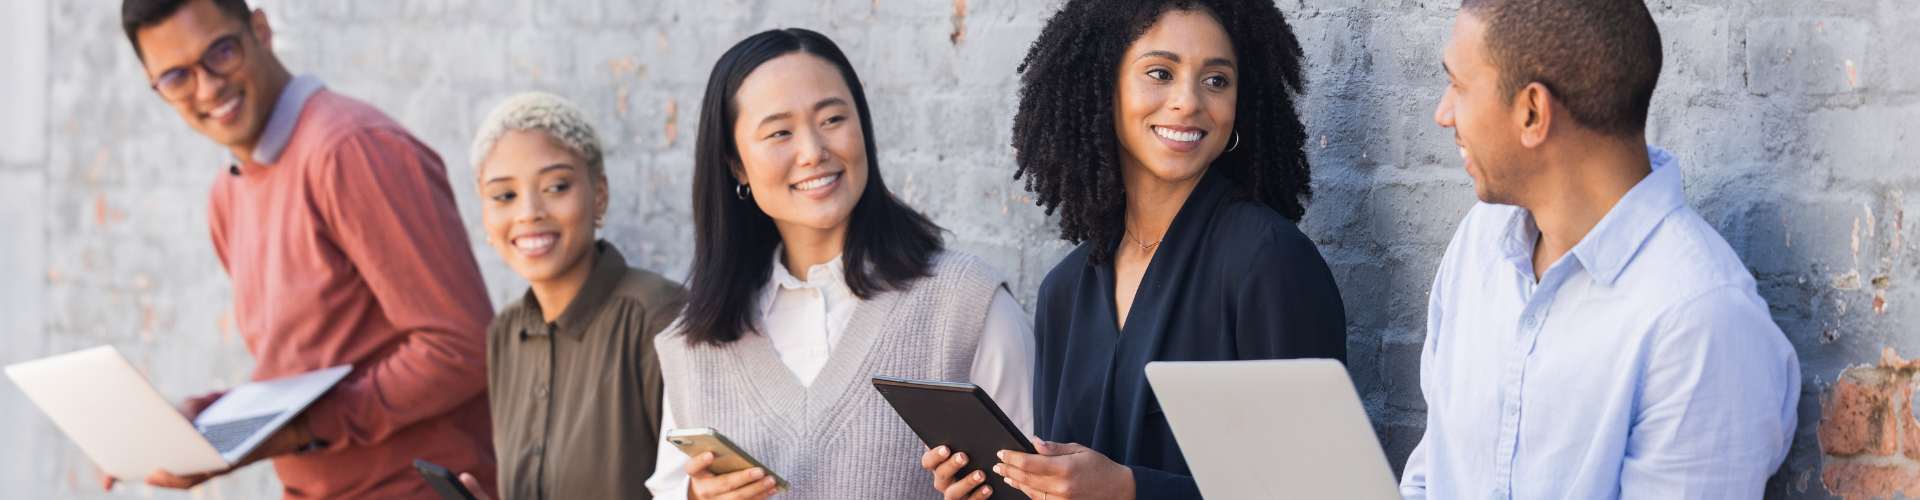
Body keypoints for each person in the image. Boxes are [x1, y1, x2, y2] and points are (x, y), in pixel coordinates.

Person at [931, 1, 1348, 498]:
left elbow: (1320, 487)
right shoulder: (1064, 293)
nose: (1188, 101)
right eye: (1160, 72)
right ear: (1103, 86)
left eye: (1217, 80)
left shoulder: (1268, 262)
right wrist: (1002, 488)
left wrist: (1131, 490)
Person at [1400, 0, 1800, 497]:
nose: (1443, 114)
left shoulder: (1701, 323)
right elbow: (1432, 474)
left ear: (1532, 112)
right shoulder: (1479, 244)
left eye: (1458, 86)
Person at [118, 0, 497, 497]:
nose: (207, 87)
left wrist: (297, 430)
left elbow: (463, 348)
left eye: (221, 53)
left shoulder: (352, 150)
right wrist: (209, 417)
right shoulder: (227, 196)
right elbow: (312, 367)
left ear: (261, 29)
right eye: (176, 78)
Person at [643, 28, 1035, 500]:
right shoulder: (693, 342)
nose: (813, 151)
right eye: (780, 132)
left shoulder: (966, 302)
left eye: (832, 119)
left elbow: (1040, 486)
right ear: (736, 164)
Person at [446, 92, 684, 500]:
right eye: (504, 195)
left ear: (600, 194)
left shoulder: (660, 319)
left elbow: (700, 488)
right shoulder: (505, 335)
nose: (529, 212)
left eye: (556, 186)